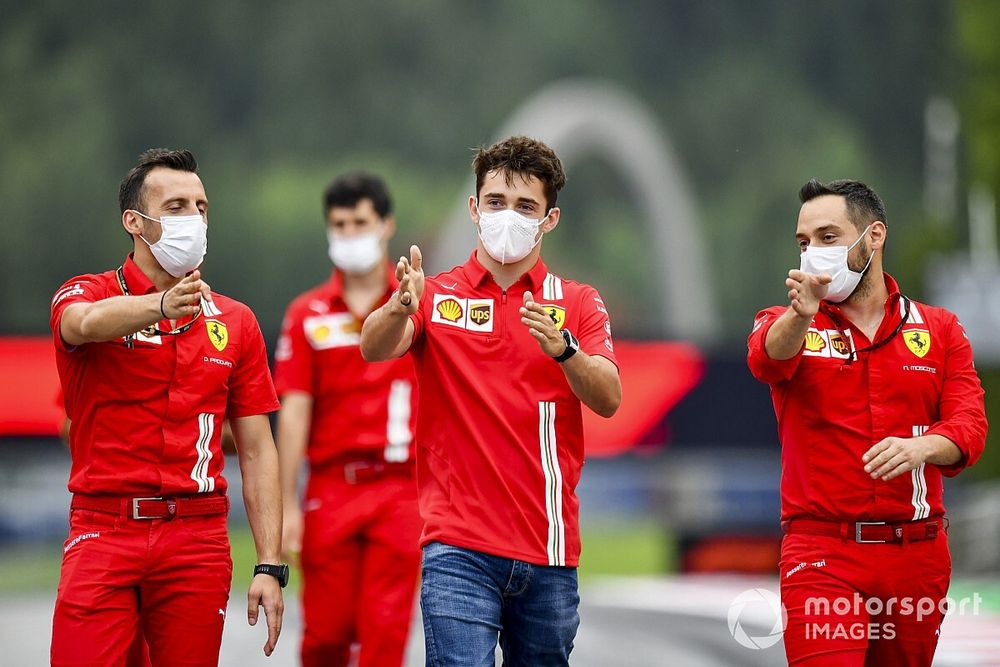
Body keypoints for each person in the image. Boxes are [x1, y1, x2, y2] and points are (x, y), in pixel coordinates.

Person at [360, 136, 622, 666]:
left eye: (526, 206)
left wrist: (564, 351)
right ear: (474, 208)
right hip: (457, 546)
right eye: (497, 202)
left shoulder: (576, 302)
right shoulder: (436, 294)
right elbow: (374, 347)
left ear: (549, 220)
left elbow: (610, 397)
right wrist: (396, 307)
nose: (508, 216)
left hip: (548, 552)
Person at [49, 148, 286, 666]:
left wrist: (270, 563)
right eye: (177, 207)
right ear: (135, 222)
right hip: (104, 528)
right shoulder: (88, 292)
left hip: (196, 538)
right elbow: (81, 324)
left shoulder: (236, 322)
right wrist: (157, 305)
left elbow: (257, 449)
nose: (195, 220)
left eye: (201, 207)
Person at [747, 179, 987, 666]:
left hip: (915, 554)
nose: (814, 253)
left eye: (828, 237)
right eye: (804, 242)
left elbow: (970, 425)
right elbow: (767, 360)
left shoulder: (939, 329)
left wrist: (924, 447)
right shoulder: (786, 321)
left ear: (874, 236)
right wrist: (801, 315)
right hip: (822, 552)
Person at [273, 172, 421, 667]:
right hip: (331, 487)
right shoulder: (308, 314)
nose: (350, 232)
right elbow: (293, 412)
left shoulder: (415, 307)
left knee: (384, 639)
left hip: (401, 488)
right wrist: (285, 507)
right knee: (325, 637)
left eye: (360, 221)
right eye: (339, 224)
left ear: (386, 225)